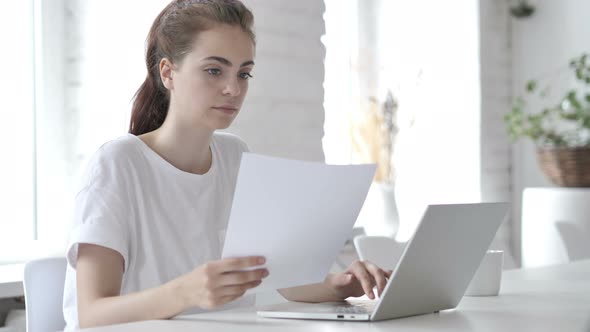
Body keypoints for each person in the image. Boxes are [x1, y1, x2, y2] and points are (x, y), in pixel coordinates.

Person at [62, 0, 391, 329]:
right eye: (214, 70)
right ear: (167, 73)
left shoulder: (235, 156)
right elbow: (91, 313)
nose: (233, 88)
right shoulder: (118, 165)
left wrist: (338, 284)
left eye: (243, 73)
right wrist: (186, 292)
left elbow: (273, 275)